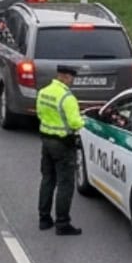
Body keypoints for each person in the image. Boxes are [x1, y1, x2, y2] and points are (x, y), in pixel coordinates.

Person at [35, 63, 84, 235]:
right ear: (65, 77)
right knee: (65, 184)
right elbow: (75, 123)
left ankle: (44, 219)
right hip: (63, 145)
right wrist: (85, 121)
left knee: (47, 179)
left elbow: (40, 114)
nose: (72, 81)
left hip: (46, 141)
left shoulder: (44, 92)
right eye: (72, 78)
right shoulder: (67, 98)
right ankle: (62, 223)